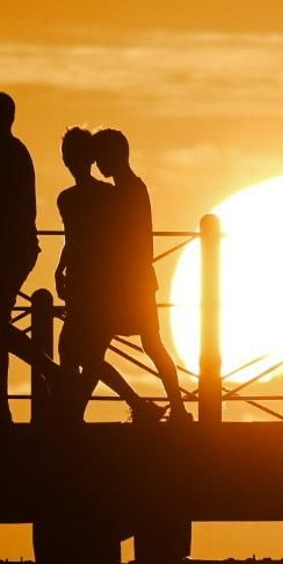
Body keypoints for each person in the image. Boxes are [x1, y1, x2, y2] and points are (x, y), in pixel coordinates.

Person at [54, 128, 159, 423]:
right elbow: (74, 240)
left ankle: (73, 412)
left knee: (80, 352)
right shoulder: (96, 195)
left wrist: (62, 268)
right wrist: (61, 267)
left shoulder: (78, 198)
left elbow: (85, 240)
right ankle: (79, 410)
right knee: (81, 352)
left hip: (93, 283)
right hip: (87, 279)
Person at [0, 91, 59, 423]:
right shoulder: (11, 154)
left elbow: (9, 210)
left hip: (4, 252)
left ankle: (45, 375)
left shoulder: (11, 156)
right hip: (1, 251)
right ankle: (1, 402)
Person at [93, 129, 192, 421]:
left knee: (99, 347)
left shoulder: (126, 192)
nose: (98, 164)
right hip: (137, 281)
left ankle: (164, 406)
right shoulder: (134, 188)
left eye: (101, 158)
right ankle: (176, 407)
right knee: (150, 345)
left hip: (128, 283)